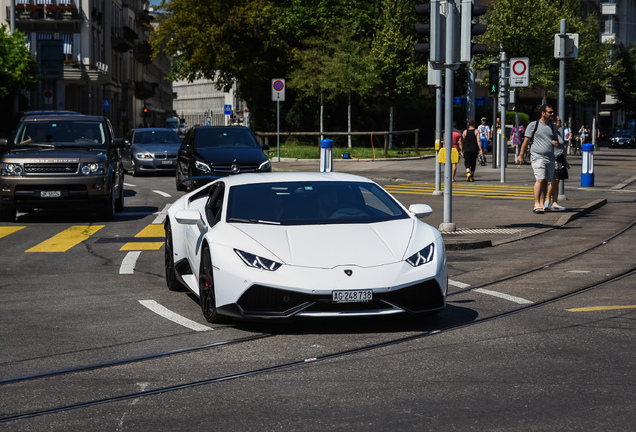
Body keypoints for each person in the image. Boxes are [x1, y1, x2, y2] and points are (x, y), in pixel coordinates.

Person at [516, 104, 559, 214]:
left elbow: (554, 140)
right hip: (537, 156)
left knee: (545, 181)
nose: (552, 114)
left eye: (552, 112)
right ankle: (536, 204)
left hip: (550, 157)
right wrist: (521, 155)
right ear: (543, 113)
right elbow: (526, 141)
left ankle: (542, 203)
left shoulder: (552, 126)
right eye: (550, 112)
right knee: (539, 179)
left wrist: (555, 143)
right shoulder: (533, 125)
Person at [545, 115, 570, 211]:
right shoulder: (551, 133)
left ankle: (555, 202)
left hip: (560, 158)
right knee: (554, 179)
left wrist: (565, 161)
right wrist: (553, 159)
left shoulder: (559, 133)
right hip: (554, 157)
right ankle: (547, 199)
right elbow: (550, 147)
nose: (561, 122)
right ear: (554, 122)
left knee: (558, 180)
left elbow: (561, 148)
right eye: (559, 120)